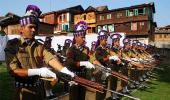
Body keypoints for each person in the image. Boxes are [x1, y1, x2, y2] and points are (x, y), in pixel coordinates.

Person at [5, 5, 74, 100]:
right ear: (21, 28)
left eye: (35, 27)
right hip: (24, 91)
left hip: (40, 90)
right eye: (31, 27)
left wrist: (63, 70)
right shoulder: (13, 45)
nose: (34, 30)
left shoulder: (39, 45)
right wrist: (38, 71)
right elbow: (13, 71)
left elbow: (50, 58)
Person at [65, 21, 95, 100]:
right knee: (74, 97)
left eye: (84, 37)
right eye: (82, 37)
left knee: (82, 96)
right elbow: (69, 62)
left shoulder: (86, 49)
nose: (84, 39)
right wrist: (82, 63)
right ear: (76, 37)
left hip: (83, 76)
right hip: (74, 77)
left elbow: (92, 58)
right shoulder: (71, 49)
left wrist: (100, 65)